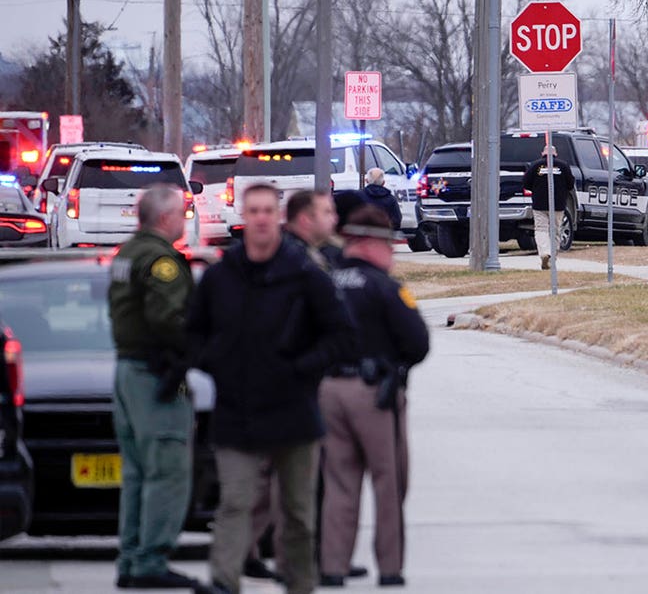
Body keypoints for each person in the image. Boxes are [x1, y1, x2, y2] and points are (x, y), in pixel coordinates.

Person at [189, 183, 355, 594]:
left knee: (298, 512)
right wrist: (218, 365)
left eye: (268, 210)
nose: (261, 218)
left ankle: (300, 583)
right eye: (254, 210)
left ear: (277, 217)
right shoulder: (221, 276)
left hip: (294, 410)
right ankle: (224, 582)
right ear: (244, 217)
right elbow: (193, 334)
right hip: (237, 410)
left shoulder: (303, 274)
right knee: (235, 503)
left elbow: (341, 335)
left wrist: (304, 368)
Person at [319, 205, 430, 587]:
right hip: (375, 394)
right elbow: (418, 342)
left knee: (338, 482)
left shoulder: (326, 282)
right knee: (389, 482)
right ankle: (390, 567)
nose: (393, 253)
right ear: (369, 243)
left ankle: (332, 565)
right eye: (389, 245)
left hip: (329, 391)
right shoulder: (385, 287)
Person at [108, 184, 198, 590]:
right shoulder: (160, 260)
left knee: (137, 473)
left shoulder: (127, 254)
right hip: (154, 375)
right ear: (165, 218)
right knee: (167, 469)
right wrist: (195, 348)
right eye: (181, 212)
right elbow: (169, 318)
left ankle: (131, 557)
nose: (185, 219)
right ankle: (151, 559)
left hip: (128, 371)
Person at [521, 144, 574, 270]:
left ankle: (545, 253)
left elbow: (526, 183)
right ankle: (552, 257)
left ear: (542, 153)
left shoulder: (535, 166)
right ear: (555, 154)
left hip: (539, 204)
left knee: (541, 229)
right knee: (555, 230)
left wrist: (536, 188)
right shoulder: (563, 166)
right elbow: (570, 184)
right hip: (558, 204)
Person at [285, 189, 342, 270]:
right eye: (327, 212)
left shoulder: (330, 248)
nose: (335, 219)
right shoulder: (290, 258)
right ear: (305, 220)